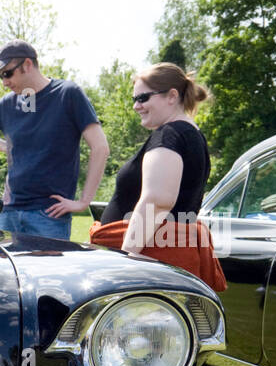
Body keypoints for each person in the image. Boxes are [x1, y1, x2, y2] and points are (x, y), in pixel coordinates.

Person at [89, 63, 226, 292]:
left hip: (147, 260)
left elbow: (157, 201)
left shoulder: (169, 134)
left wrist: (125, 260)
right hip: (157, 258)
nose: (136, 106)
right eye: (134, 99)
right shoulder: (191, 135)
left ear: (172, 96)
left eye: (142, 98)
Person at [0, 40, 109, 240]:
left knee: (48, 273)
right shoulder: (10, 103)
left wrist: (84, 201)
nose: (4, 82)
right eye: (0, 76)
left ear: (27, 65)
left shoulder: (67, 94)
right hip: (9, 212)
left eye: (7, 73)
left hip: (49, 216)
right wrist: (7, 147)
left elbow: (100, 147)